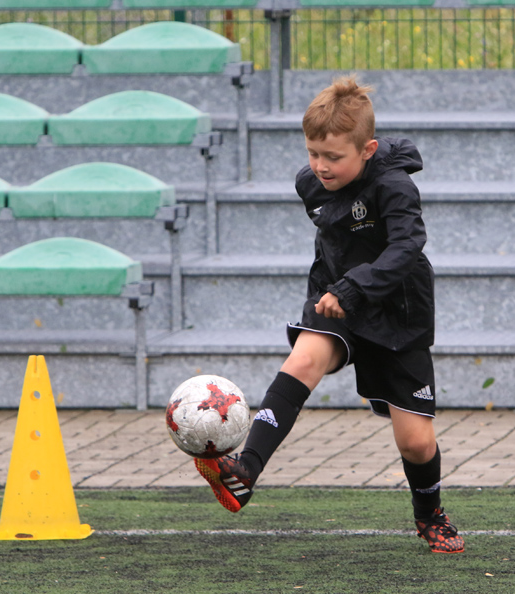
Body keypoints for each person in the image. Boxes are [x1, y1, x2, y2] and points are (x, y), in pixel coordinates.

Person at [193, 76, 464, 554]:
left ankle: (430, 515)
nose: (320, 166)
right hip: (335, 301)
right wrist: (335, 290)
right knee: (304, 359)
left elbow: (407, 247)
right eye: (313, 153)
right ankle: (246, 470)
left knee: (416, 444)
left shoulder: (395, 187)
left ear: (368, 149)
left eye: (333, 157)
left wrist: (355, 286)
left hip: (396, 315)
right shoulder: (311, 184)